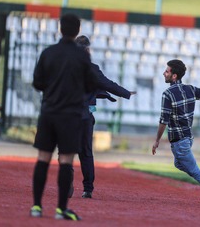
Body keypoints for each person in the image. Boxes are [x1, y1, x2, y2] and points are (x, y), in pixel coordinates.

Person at [30, 14, 97, 221]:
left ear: (60, 29)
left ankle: (37, 206)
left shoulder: (48, 53)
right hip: (71, 115)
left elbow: (37, 83)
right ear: (77, 31)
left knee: (43, 159)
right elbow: (90, 86)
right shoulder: (82, 57)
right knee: (66, 161)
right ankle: (61, 209)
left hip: (49, 112)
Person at [152, 59, 200, 208]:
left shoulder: (167, 94)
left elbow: (164, 120)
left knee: (194, 171)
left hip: (179, 141)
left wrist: (157, 140)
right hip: (188, 138)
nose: (164, 73)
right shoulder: (190, 89)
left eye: (167, 71)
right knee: (178, 164)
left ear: (174, 76)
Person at [75, 35, 136, 199]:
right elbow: (108, 84)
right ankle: (87, 188)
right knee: (86, 152)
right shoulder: (92, 69)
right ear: (87, 50)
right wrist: (126, 93)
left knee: (65, 151)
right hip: (85, 115)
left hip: (66, 114)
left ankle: (66, 185)